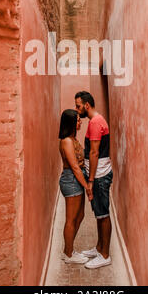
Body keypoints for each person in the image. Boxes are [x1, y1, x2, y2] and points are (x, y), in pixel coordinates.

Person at [75, 91, 113, 269]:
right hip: (97, 175)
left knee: (103, 215)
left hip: (99, 176)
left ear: (87, 105)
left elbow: (94, 152)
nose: (78, 109)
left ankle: (105, 255)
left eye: (78, 106)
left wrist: (90, 180)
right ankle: (99, 248)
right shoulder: (94, 121)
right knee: (99, 214)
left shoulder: (96, 122)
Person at [58, 109, 92, 264]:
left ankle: (69, 250)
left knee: (80, 216)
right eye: (78, 120)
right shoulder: (66, 141)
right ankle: (69, 254)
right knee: (71, 220)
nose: (80, 122)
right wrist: (87, 186)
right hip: (71, 180)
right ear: (71, 122)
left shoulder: (73, 139)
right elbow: (75, 167)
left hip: (77, 179)